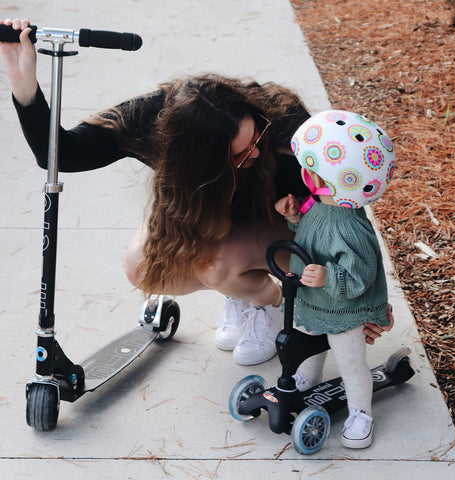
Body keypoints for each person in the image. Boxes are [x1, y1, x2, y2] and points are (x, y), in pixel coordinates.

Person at [0, 18, 392, 368]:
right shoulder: (155, 121)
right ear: (197, 159)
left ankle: (267, 303)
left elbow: (344, 219)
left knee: (215, 265)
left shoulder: (286, 124)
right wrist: (23, 83)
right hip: (214, 222)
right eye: (239, 154)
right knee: (140, 266)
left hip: (288, 229)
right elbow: (60, 154)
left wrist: (360, 302)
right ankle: (237, 291)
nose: (255, 152)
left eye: (255, 135)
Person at [275, 109, 396, 448]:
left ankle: (361, 412)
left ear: (329, 181)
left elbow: (361, 276)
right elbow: (312, 239)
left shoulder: (351, 227)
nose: (305, 172)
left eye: (312, 170)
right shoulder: (318, 204)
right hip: (312, 301)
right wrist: (296, 217)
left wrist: (329, 276)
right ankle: (307, 377)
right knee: (308, 343)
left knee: (351, 364)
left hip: (345, 313)